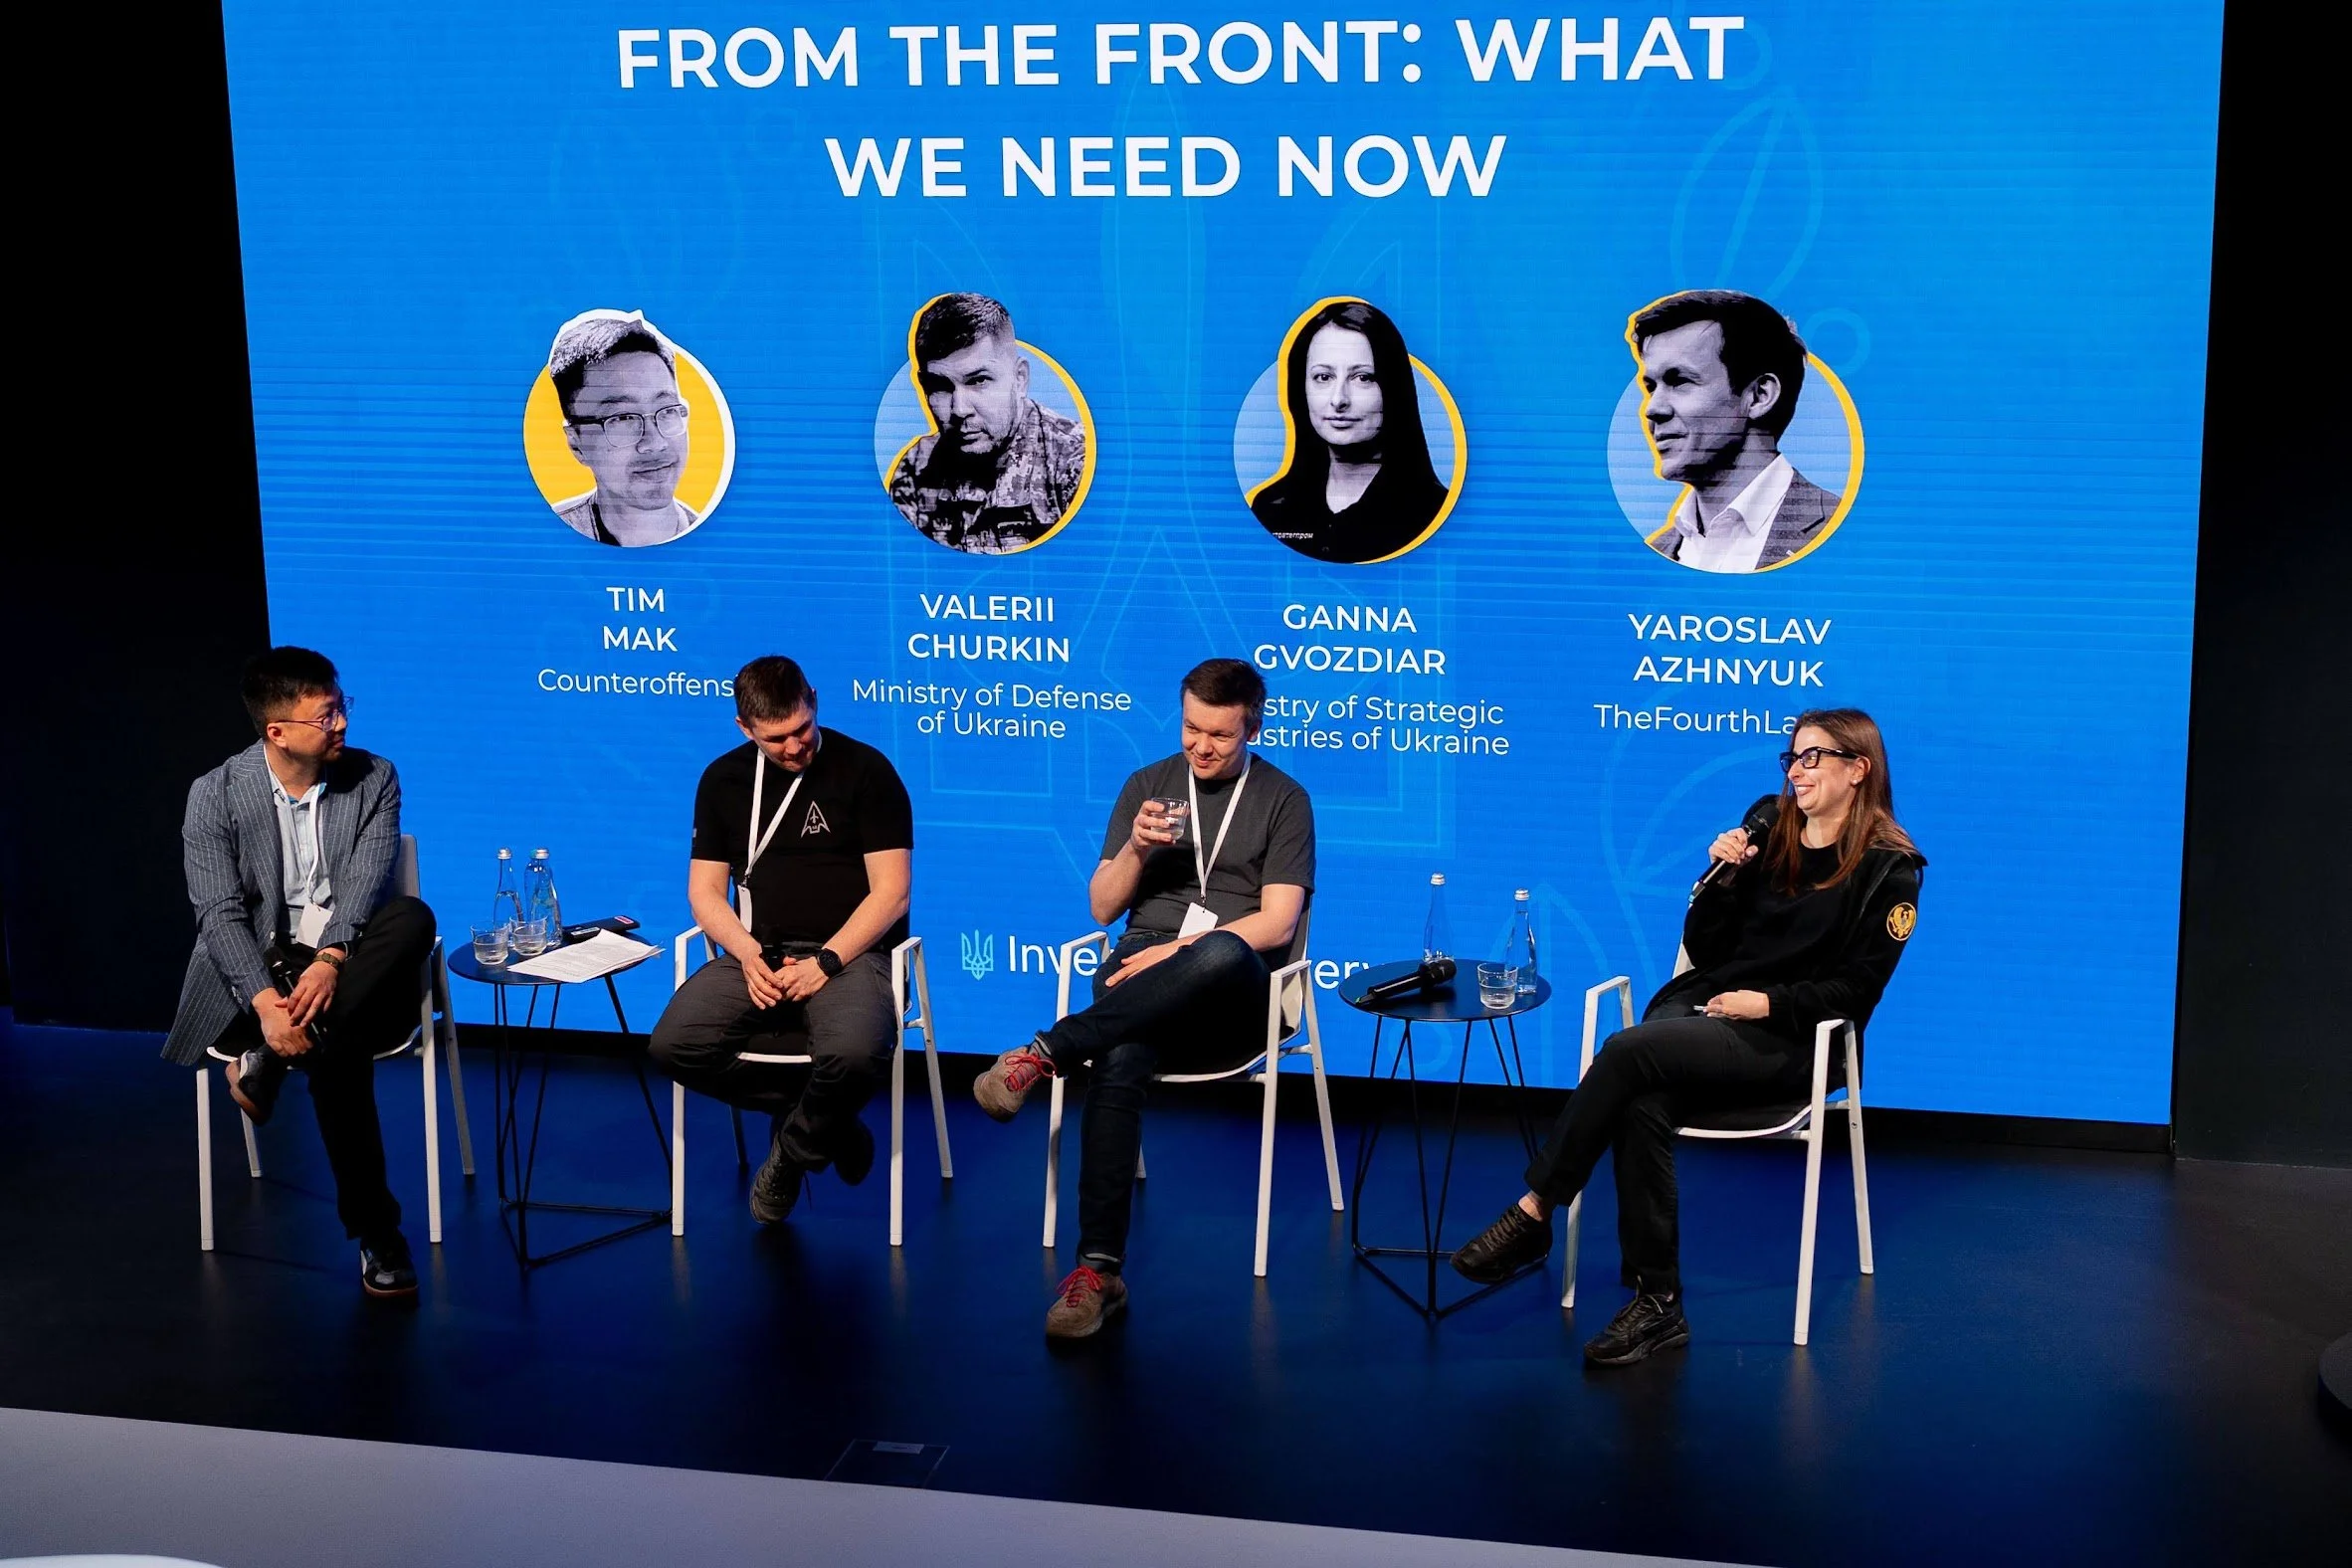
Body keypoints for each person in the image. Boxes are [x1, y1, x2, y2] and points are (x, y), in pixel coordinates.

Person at [1452, 707, 1924, 1365]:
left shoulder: (1888, 870)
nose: (1796, 770)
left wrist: (1768, 1003)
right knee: (1641, 1102)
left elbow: (1856, 992)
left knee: (1624, 1051)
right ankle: (1659, 1304)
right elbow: (1706, 948)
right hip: (1713, 1013)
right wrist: (1722, 879)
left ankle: (1534, 1212)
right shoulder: (1770, 823)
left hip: (1793, 1043)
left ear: (1857, 768)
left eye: (1813, 756)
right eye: (1791, 757)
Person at [972, 659, 1316, 1338]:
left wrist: (1178, 950)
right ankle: (1097, 1271)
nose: (1202, 746)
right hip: (1137, 977)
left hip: (1233, 992)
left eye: (1220, 734)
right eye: (1192, 728)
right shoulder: (1148, 785)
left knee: (1217, 949)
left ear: (1253, 726)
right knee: (1123, 1051)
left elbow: (1277, 923)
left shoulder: (1284, 798)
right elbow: (1102, 907)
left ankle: (1045, 1052)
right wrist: (1133, 846)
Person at [162, 648, 438, 1298]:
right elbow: (219, 914)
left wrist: (330, 960)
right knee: (339, 1050)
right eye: (326, 715)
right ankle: (379, 1236)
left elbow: (367, 887)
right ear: (276, 730)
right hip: (256, 977)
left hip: (350, 966)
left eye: (342, 706)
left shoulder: (373, 778)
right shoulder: (215, 795)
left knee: (412, 917)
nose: (341, 724)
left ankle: (271, 1063)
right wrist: (265, 1005)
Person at [647, 656, 913, 1224]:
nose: (795, 747)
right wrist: (744, 954)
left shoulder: (868, 772)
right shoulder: (722, 780)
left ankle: (791, 1156)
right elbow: (704, 894)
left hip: (851, 955)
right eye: (777, 740)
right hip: (760, 951)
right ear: (745, 729)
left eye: (802, 730)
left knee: (855, 1053)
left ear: (813, 701)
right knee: (673, 1045)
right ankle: (824, 1118)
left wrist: (827, 960)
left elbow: (892, 895)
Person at [1632, 290, 1842, 573]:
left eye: (1679, 381)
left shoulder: (1841, 531)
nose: (1652, 409)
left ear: (1758, 396)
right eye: (1650, 387)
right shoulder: (1655, 555)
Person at [1249, 298, 1452, 565]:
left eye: (1363, 378)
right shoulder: (1270, 509)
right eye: (1323, 377)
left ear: (1393, 388)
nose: (1339, 399)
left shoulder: (1433, 513)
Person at [886, 294, 1087, 553]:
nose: (959, 409)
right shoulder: (917, 469)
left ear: (1020, 379)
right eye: (940, 386)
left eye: (978, 381)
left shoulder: (1074, 464)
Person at [547, 309, 701, 548]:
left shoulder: (721, 542)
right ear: (576, 444)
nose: (654, 442)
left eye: (668, 410)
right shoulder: (544, 540)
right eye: (622, 418)